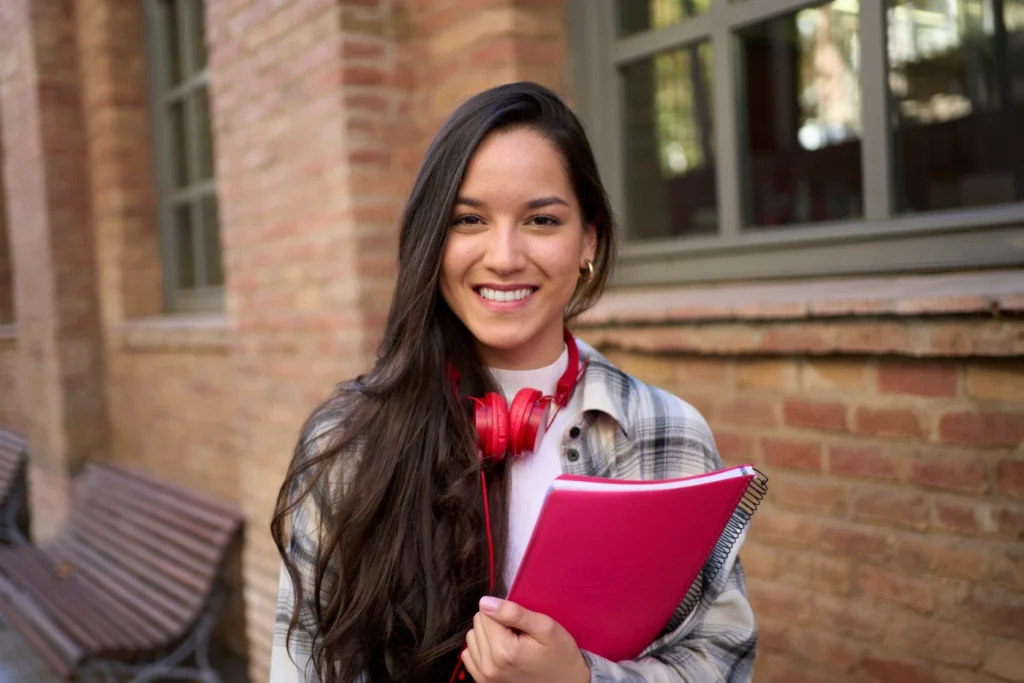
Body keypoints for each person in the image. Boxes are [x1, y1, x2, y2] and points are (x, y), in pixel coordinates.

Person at [269, 81, 757, 683]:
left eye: (541, 220)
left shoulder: (667, 432)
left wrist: (581, 680)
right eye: (469, 219)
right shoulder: (348, 439)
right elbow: (306, 661)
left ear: (589, 241)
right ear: (433, 241)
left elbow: (722, 654)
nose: (503, 256)